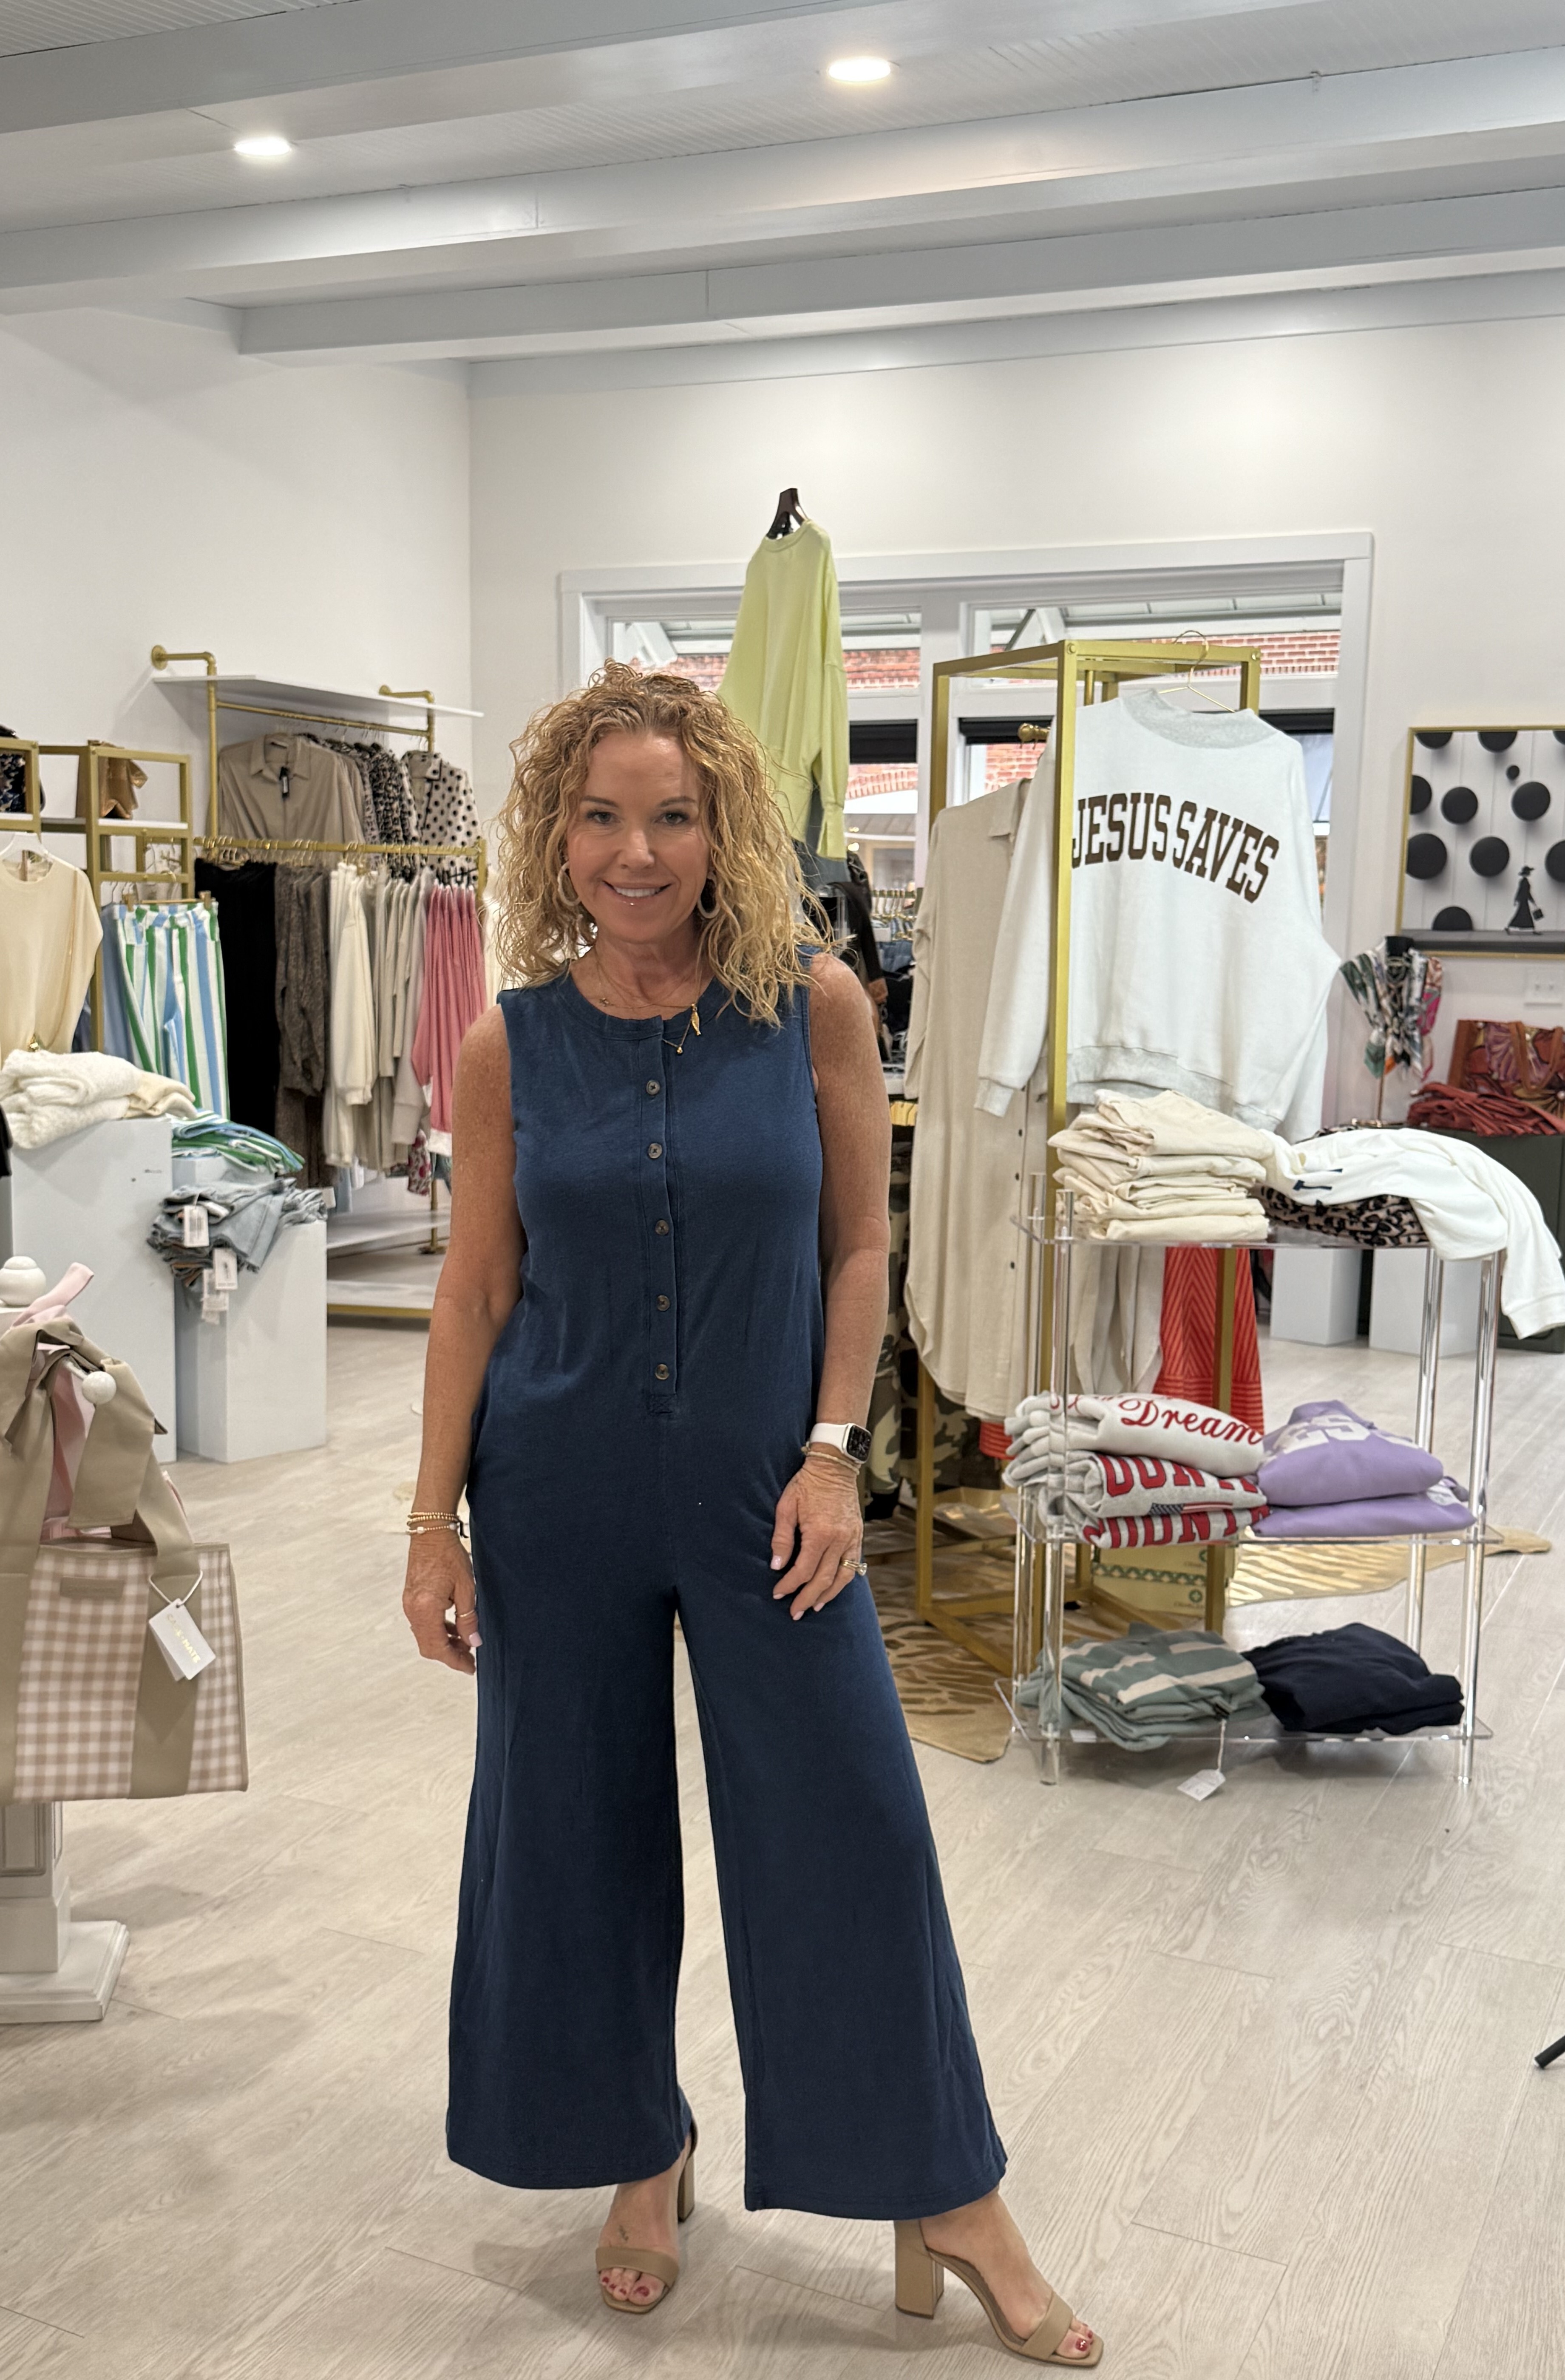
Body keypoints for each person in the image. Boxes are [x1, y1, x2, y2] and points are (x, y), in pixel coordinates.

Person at [402, 663, 1102, 2366]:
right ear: (555, 834)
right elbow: (477, 1283)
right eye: (602, 815)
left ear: (724, 825)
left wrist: (831, 1447)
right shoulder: (516, 1038)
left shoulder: (818, 1007)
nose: (638, 851)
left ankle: (948, 2183)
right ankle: (639, 2150)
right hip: (554, 1480)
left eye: (674, 813)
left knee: (853, 1815)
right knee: (570, 1828)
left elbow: (861, 1245)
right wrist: (432, 1519)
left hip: (762, 1482)